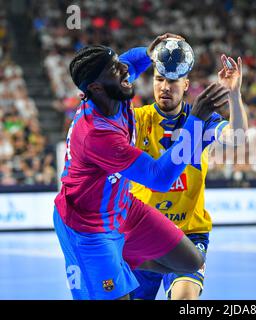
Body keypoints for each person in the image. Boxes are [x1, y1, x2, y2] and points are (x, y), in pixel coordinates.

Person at [53, 33, 231, 300]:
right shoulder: (98, 134)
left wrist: (152, 52)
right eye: (116, 69)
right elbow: (159, 178)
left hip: (122, 207)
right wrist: (195, 120)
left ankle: (123, 259)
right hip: (88, 227)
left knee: (191, 261)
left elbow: (132, 62)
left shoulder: (114, 89)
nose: (125, 70)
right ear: (97, 88)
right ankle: (113, 263)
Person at [130, 52, 248, 300]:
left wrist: (234, 95)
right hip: (141, 232)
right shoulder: (138, 120)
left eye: (173, 81)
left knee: (185, 299)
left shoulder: (203, 120)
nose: (165, 87)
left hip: (188, 233)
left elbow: (237, 139)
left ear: (185, 85)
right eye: (159, 79)